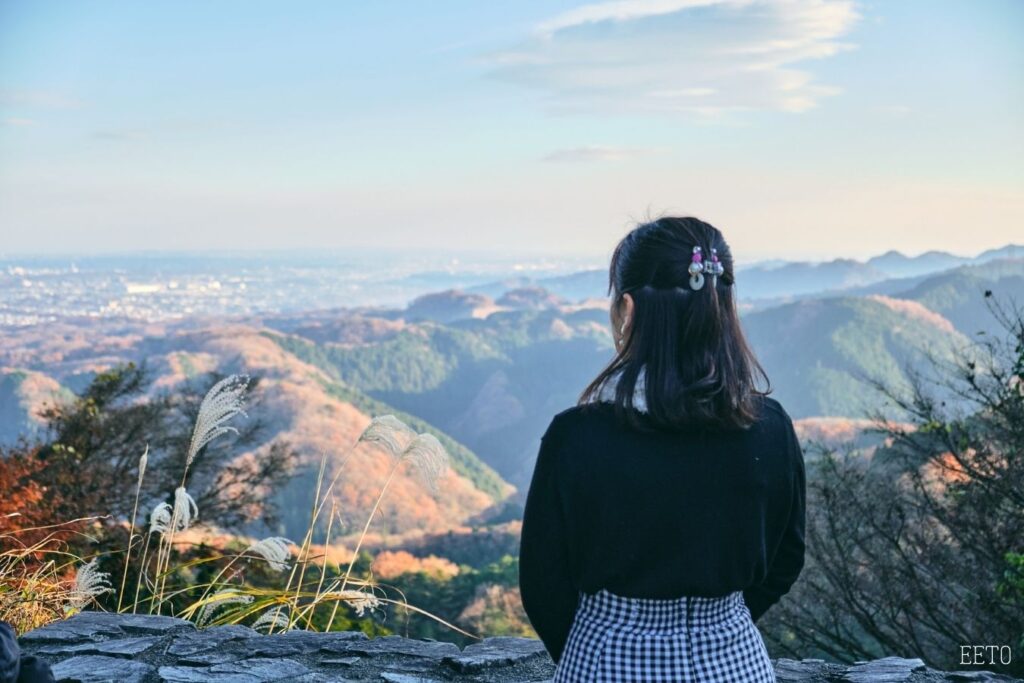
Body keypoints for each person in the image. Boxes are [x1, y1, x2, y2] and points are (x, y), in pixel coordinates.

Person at [519, 216, 806, 682]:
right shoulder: (771, 429)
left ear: (627, 308)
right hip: (735, 662)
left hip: (607, 659)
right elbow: (786, 559)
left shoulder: (577, 436)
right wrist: (718, 623)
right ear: (723, 307)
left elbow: (542, 585)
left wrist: (598, 642)